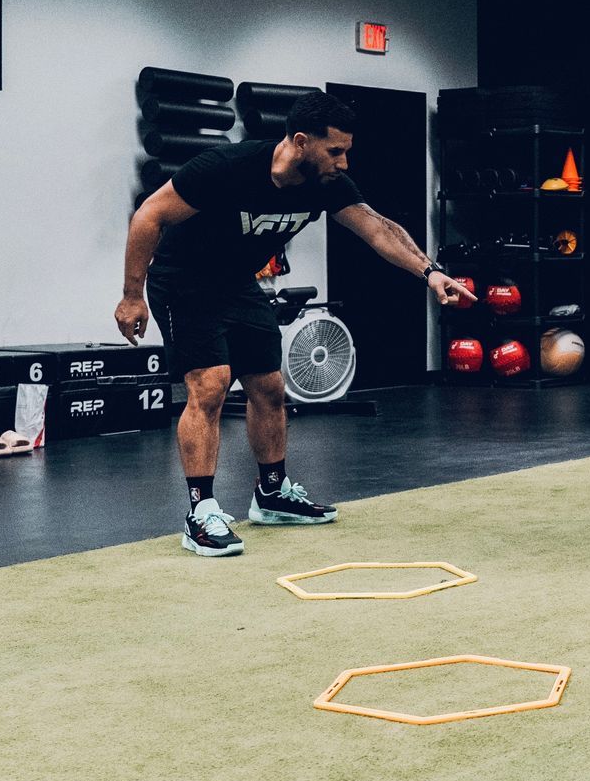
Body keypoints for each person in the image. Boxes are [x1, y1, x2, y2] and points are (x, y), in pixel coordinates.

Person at [114, 92, 473, 556]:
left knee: (269, 387)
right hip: (183, 280)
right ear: (301, 141)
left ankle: (272, 493)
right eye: (335, 151)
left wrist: (431, 273)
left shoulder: (326, 183)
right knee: (211, 383)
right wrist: (132, 296)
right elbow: (149, 215)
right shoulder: (226, 168)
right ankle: (200, 513)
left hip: (236, 282)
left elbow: (377, 227)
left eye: (346, 151)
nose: (343, 162)